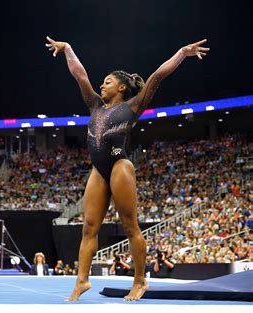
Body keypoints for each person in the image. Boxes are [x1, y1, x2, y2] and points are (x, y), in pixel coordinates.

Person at [46, 36, 209, 301]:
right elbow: (80, 75)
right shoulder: (95, 104)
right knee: (88, 227)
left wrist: (181, 52)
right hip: (98, 169)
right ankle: (81, 281)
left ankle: (140, 281)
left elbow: (156, 77)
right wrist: (68, 49)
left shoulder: (132, 106)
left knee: (130, 225)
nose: (102, 84)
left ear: (122, 87)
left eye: (107, 81)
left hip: (119, 166)